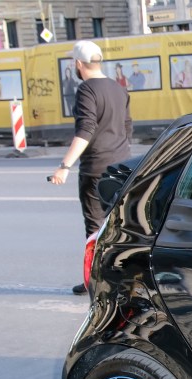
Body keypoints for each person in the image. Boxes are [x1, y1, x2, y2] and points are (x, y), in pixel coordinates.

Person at [49, 40, 132, 295]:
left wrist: (64, 166)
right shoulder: (118, 89)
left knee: (95, 226)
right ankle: (123, 278)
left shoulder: (86, 89)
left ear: (77, 64)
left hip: (95, 167)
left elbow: (86, 130)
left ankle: (95, 282)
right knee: (119, 224)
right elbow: (128, 127)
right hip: (122, 166)